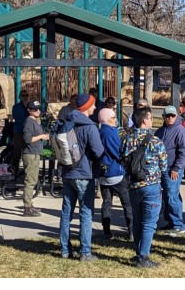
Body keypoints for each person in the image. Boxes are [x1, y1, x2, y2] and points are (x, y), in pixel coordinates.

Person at [57, 93, 104, 260]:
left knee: (66, 212)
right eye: (93, 104)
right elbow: (99, 151)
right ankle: (85, 252)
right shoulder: (89, 126)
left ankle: (64, 249)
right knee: (85, 212)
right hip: (84, 173)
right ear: (87, 107)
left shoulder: (67, 122)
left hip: (67, 171)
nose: (95, 107)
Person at [120, 106, 166, 268]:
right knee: (149, 223)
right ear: (144, 120)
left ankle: (138, 252)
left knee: (138, 220)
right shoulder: (155, 141)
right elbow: (164, 165)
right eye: (151, 118)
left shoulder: (126, 139)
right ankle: (143, 256)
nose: (152, 120)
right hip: (151, 185)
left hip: (133, 185)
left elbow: (122, 159)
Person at [95, 107, 133, 241]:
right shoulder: (109, 133)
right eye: (113, 118)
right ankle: (132, 231)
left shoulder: (98, 132)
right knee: (127, 203)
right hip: (115, 172)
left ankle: (106, 231)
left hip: (103, 173)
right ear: (107, 119)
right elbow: (118, 151)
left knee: (106, 203)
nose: (115, 120)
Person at [156, 105, 185, 233]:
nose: (170, 118)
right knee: (168, 195)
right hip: (162, 169)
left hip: (173, 169)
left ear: (176, 116)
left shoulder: (181, 131)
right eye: (167, 116)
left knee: (172, 196)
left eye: (172, 115)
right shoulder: (160, 131)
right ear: (163, 117)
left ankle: (179, 225)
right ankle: (172, 221)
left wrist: (176, 168)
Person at [20, 101, 47, 216]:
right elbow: (27, 139)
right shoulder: (28, 122)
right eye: (35, 109)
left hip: (35, 152)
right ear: (29, 110)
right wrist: (41, 136)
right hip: (30, 153)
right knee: (30, 181)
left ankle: (29, 203)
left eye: (38, 109)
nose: (38, 111)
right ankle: (27, 208)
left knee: (33, 180)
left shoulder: (35, 121)